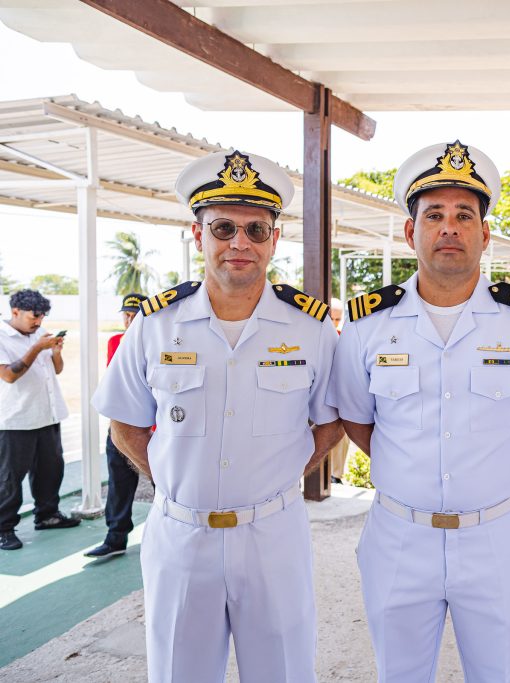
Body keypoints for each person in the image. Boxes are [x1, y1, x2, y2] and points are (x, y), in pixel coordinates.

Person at [329, 140, 510, 680]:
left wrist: (489, 468)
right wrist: (409, 469)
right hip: (399, 534)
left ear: (485, 234)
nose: (449, 227)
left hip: (495, 534)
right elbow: (356, 417)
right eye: (434, 215)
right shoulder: (369, 324)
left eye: (464, 215)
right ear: (410, 231)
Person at [92, 150, 343, 682]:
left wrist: (281, 474)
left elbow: (330, 422)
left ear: (275, 239)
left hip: (274, 535)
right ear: (197, 233)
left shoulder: (310, 329)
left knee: (282, 672)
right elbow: (125, 424)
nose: (240, 242)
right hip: (181, 536)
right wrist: (172, 481)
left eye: (256, 229)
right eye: (223, 226)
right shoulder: (155, 326)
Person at [0, 289, 80, 551]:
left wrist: (55, 351)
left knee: (50, 470)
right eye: (34, 316)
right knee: (10, 478)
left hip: (47, 414)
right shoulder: (2, 336)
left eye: (43, 316)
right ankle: (4, 528)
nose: (39, 321)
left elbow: (56, 369)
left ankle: (47, 515)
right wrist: (36, 348)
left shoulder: (40, 335)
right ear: (15, 312)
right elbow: (9, 375)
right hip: (16, 419)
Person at [85, 292, 145, 559]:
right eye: (126, 315)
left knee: (165, 484)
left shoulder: (160, 339)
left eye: (135, 315)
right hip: (123, 426)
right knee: (119, 483)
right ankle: (115, 538)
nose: (130, 321)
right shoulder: (117, 342)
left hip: (158, 428)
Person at [328, 296, 352, 484]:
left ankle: (336, 475)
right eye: (331, 318)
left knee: (341, 436)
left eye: (338, 319)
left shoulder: (345, 337)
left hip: (339, 397)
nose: (334, 322)